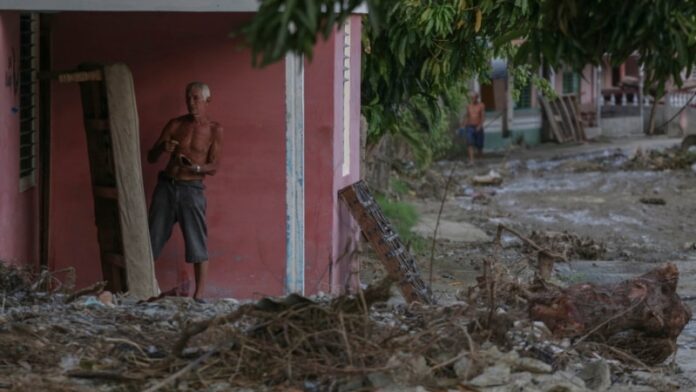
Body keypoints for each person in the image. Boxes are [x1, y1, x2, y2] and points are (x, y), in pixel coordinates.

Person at [147, 82, 223, 301]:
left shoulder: (214, 130)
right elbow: (151, 157)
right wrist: (163, 148)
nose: (191, 103)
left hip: (192, 189)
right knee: (152, 238)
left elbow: (215, 166)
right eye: (188, 98)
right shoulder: (175, 124)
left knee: (197, 241)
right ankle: (145, 287)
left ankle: (199, 296)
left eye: (196, 98)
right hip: (167, 186)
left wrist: (196, 168)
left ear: (207, 100)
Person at [459, 92, 485, 165]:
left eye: (474, 97)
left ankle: (480, 159)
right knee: (469, 143)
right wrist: (462, 125)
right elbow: (467, 116)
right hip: (469, 127)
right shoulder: (468, 106)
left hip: (478, 126)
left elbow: (483, 117)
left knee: (479, 145)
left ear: (477, 98)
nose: (472, 99)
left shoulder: (481, 105)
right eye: (471, 97)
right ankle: (471, 160)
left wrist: (480, 126)